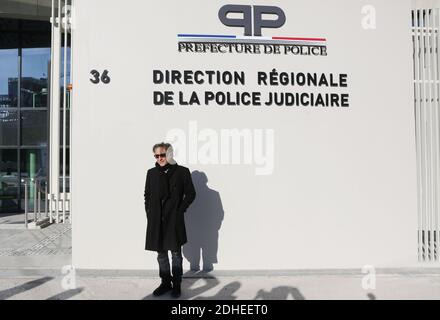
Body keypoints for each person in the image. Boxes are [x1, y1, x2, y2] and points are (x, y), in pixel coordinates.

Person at [144, 142, 196, 298]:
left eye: (162, 155)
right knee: (160, 253)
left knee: (175, 253)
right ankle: (165, 282)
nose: (160, 158)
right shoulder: (151, 173)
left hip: (173, 219)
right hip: (156, 220)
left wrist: (180, 210)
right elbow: (147, 195)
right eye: (157, 155)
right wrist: (149, 212)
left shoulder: (182, 172)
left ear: (170, 154)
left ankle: (177, 284)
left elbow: (191, 194)